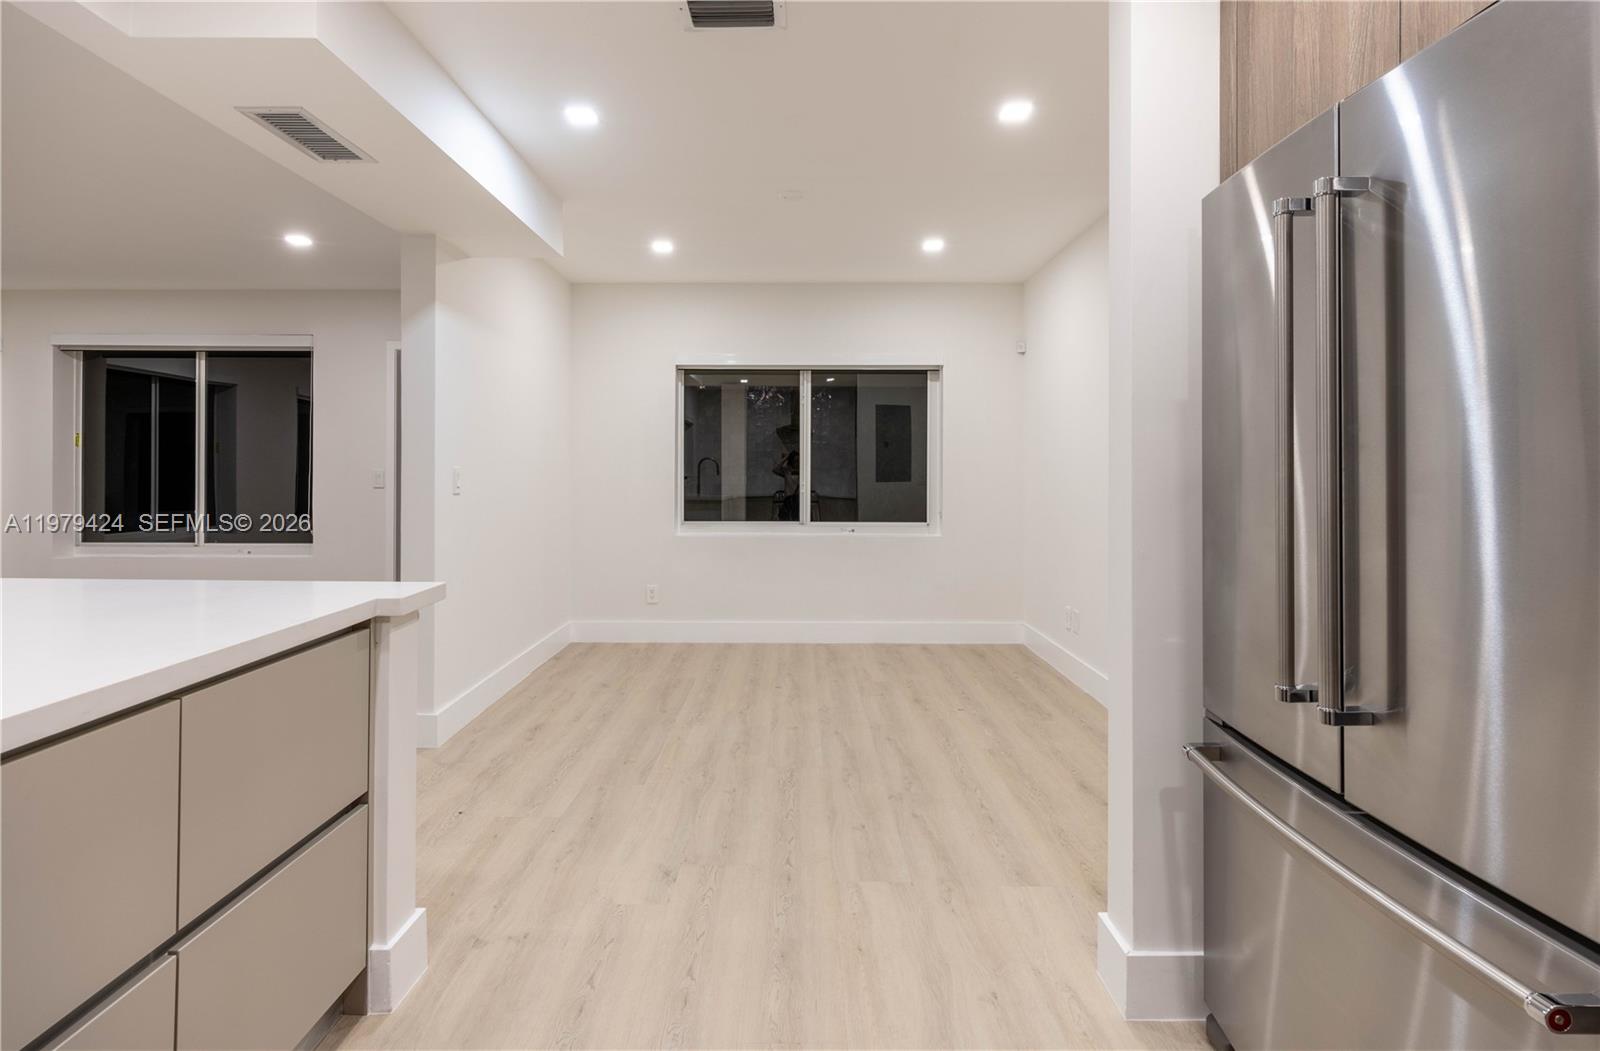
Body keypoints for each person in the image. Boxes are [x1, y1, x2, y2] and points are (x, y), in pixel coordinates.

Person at [772, 423, 800, 520]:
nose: (797, 463)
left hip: (798, 500)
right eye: (795, 461)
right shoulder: (787, 471)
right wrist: (787, 457)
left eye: (799, 461)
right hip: (788, 500)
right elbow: (775, 469)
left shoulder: (803, 473)